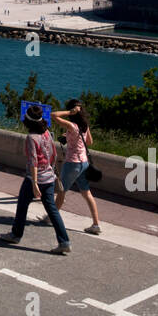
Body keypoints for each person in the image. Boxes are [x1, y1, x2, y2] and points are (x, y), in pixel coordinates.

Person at [1, 105, 70, 254]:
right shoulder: (47, 133)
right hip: (49, 178)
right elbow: (54, 155)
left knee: (22, 206)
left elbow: (33, 161)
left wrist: (34, 183)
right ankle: (64, 241)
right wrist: (50, 170)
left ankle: (16, 235)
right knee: (52, 211)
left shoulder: (31, 138)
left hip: (35, 178)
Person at [51, 99, 102, 235]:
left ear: (73, 111)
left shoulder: (72, 126)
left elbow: (53, 115)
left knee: (62, 191)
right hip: (84, 163)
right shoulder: (84, 125)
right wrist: (68, 137)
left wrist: (69, 112)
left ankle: (51, 218)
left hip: (72, 163)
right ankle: (96, 224)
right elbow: (89, 142)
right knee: (87, 193)